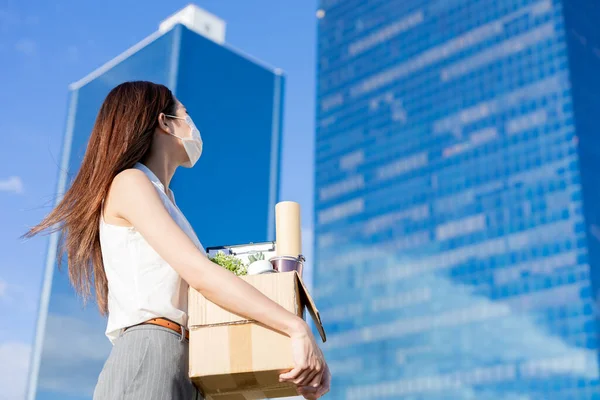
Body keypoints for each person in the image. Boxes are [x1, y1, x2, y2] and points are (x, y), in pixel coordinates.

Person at [26, 81, 330, 399]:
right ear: (164, 122)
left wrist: (288, 366)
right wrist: (295, 328)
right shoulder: (131, 181)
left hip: (187, 360)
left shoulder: (166, 200)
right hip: (153, 351)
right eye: (186, 114)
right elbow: (202, 276)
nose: (192, 126)